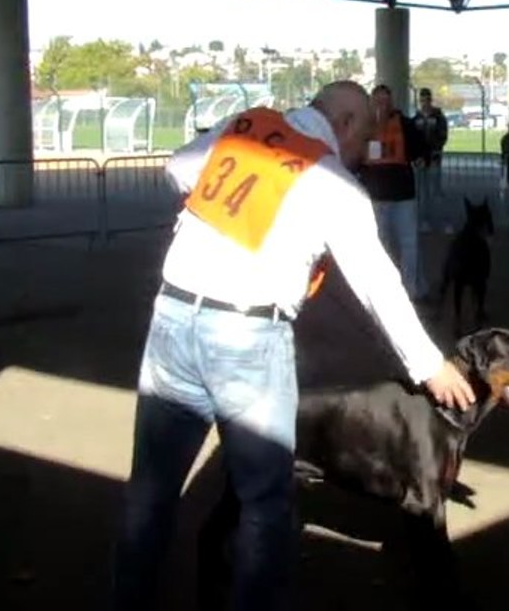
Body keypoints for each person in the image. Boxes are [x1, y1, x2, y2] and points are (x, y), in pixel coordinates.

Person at [110, 81, 475, 610]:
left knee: (151, 489)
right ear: (347, 124)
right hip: (248, 335)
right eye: (362, 142)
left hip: (172, 319)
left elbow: (178, 168)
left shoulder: (248, 125)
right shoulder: (331, 179)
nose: (359, 158)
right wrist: (429, 365)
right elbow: (378, 283)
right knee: (266, 502)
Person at [357, 84, 430, 301]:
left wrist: (422, 159)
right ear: (371, 102)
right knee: (380, 245)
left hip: (403, 195)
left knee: (409, 244)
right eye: (377, 101)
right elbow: (354, 156)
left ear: (392, 102)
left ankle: (411, 290)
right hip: (375, 197)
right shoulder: (363, 128)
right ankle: (381, 291)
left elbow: (422, 148)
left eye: (385, 101)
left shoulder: (405, 125)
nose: (382, 105)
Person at [412, 87, 449, 230]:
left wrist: (436, 149)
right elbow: (413, 138)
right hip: (421, 160)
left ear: (430, 100)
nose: (425, 102)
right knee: (422, 192)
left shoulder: (438, 116)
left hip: (434, 158)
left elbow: (443, 135)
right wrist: (416, 155)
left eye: (427, 99)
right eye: (422, 100)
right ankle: (424, 220)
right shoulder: (416, 118)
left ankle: (443, 220)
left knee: (436, 190)